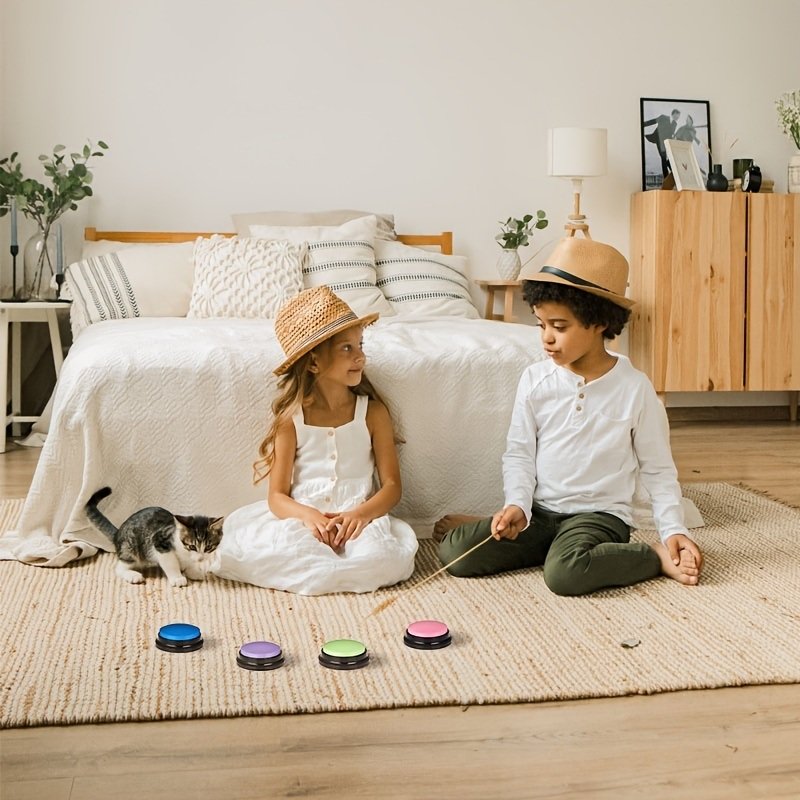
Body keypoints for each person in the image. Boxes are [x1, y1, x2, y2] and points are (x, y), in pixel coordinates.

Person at [434, 237, 703, 596]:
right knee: (455, 552)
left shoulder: (634, 388)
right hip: (540, 513)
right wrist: (517, 505)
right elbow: (519, 453)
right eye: (541, 325)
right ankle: (550, 546)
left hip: (599, 517)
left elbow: (658, 470)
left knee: (566, 575)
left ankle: (650, 557)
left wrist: (672, 531)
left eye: (559, 327)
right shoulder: (535, 380)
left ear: (599, 322)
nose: (546, 338)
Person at [213, 286, 418, 595]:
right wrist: (309, 517)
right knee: (289, 553)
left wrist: (360, 515)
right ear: (313, 363)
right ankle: (327, 569)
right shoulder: (291, 420)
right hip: (304, 520)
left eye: (360, 345)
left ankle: (337, 568)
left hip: (358, 520)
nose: (360, 356)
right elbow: (277, 496)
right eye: (346, 348)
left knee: (383, 558)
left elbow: (391, 486)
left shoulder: (373, 413)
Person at [643, 108, 680, 178]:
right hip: (659, 140)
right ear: (673, 114)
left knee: (665, 158)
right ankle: (667, 176)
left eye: (678, 117)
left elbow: (671, 133)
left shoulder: (674, 123)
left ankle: (670, 173)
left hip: (666, 143)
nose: (677, 118)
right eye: (677, 116)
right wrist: (642, 124)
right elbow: (653, 121)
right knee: (663, 158)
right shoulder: (663, 117)